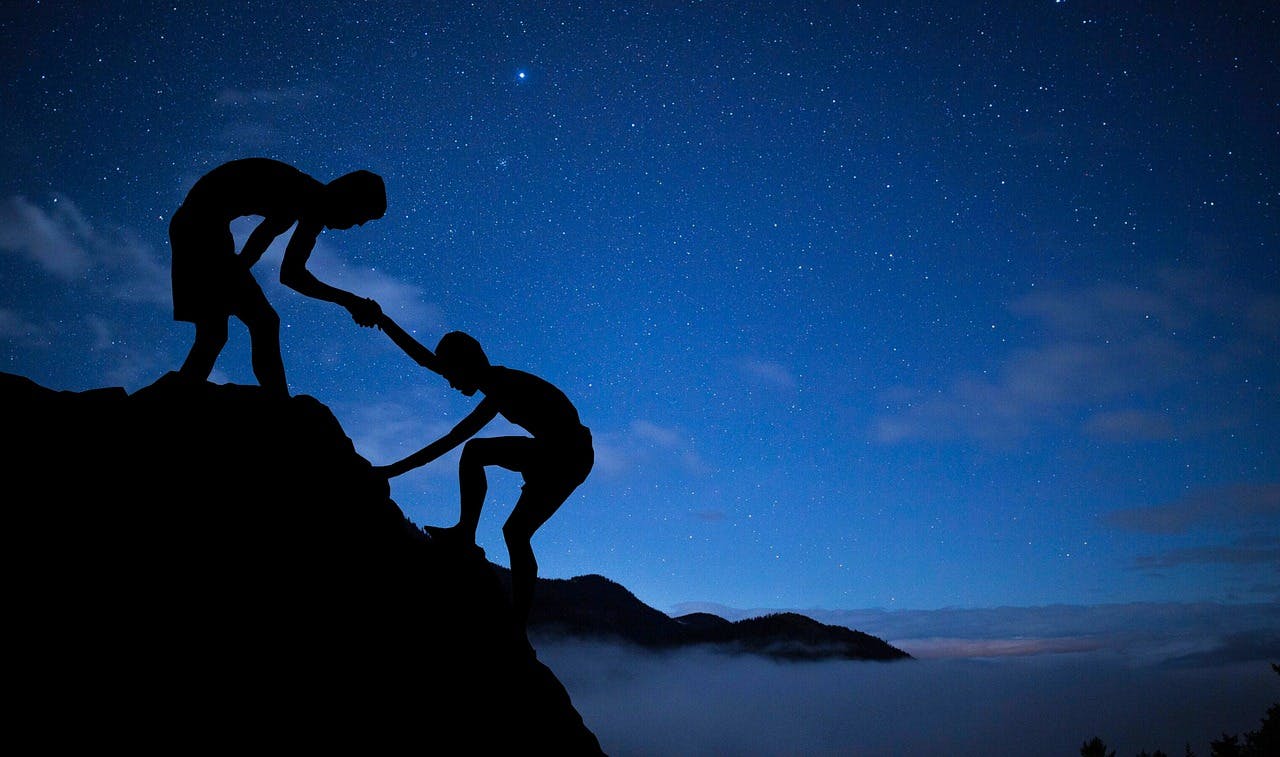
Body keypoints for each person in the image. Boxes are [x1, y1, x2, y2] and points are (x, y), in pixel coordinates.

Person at [373, 318, 594, 641]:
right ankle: (512, 616)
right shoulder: (490, 380)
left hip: (567, 455)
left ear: (466, 364)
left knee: (477, 456)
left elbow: (452, 439)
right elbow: (426, 360)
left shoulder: (501, 387)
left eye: (451, 374)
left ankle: (469, 542)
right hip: (559, 452)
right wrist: (382, 320)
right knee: (515, 532)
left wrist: (392, 470)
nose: (448, 383)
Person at [168, 157, 386, 396]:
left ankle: (186, 393)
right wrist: (350, 301)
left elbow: (289, 272)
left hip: (196, 227)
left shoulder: (309, 205)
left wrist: (350, 301)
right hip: (200, 229)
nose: (354, 225)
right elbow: (287, 271)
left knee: (217, 332)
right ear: (348, 199)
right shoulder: (301, 194)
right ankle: (280, 406)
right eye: (359, 217)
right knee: (260, 322)